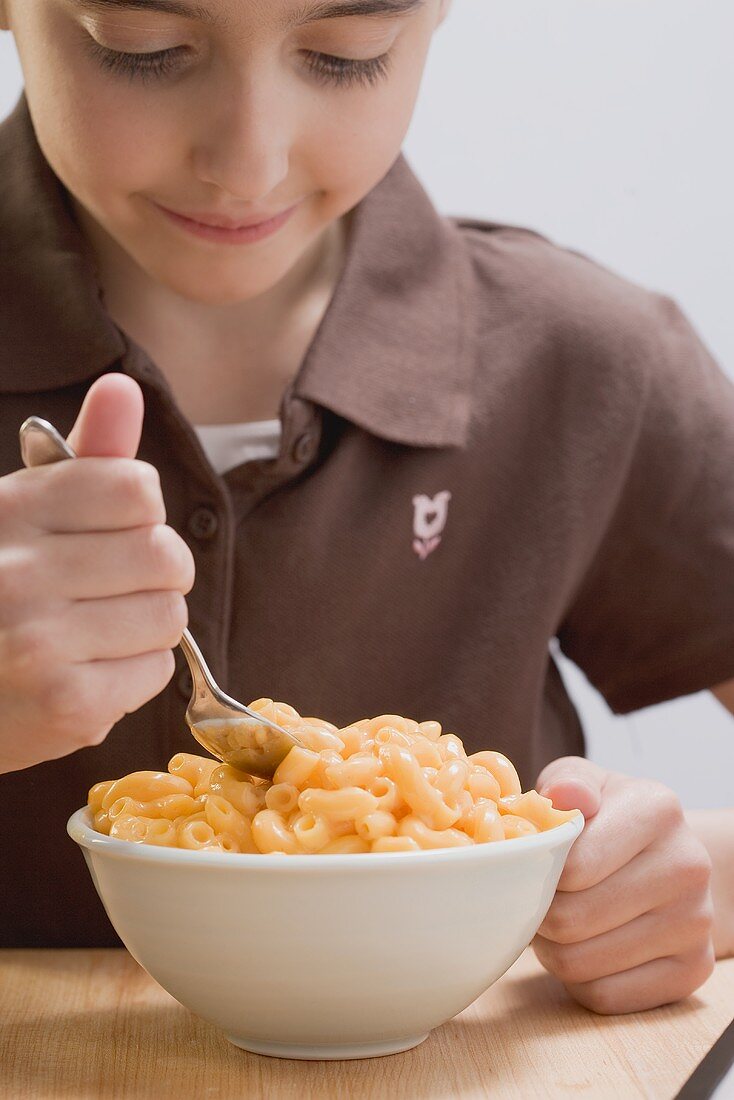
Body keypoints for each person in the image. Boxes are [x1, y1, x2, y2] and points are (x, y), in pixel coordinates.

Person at [0, 0, 732, 1015]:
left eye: (345, 56)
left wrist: (690, 872)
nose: (247, 162)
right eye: (145, 48)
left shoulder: (579, 360)